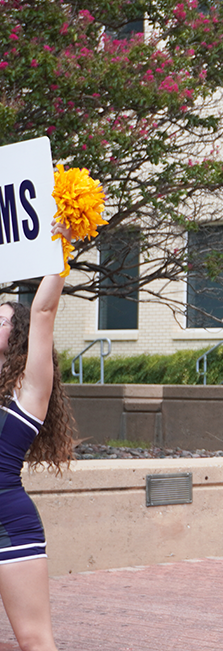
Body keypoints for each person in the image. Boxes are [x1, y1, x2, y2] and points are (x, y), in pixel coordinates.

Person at [0, 225, 76, 651]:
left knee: (33, 639)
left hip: (8, 521)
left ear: (19, 334)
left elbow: (45, 312)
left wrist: (60, 248)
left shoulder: (29, 387)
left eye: (2, 320)